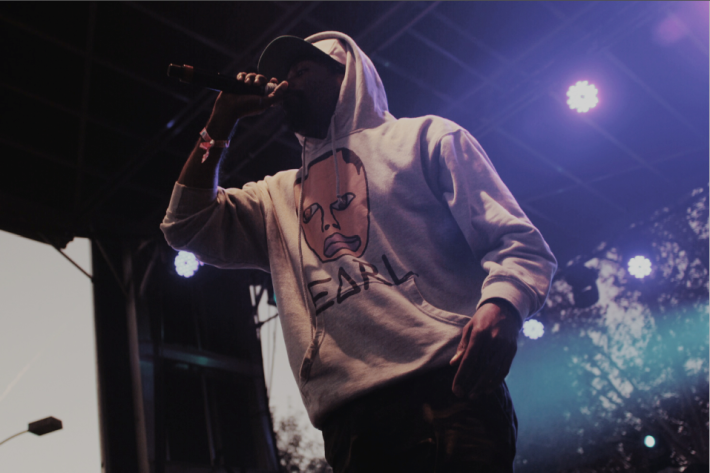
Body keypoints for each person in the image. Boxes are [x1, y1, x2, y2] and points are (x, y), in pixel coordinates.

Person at [161, 31, 557, 472]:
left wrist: (504, 306)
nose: (286, 82)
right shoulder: (277, 196)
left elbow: (518, 243)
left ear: (345, 77)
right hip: (350, 421)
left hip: (446, 389)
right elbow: (185, 225)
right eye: (283, 74)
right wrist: (219, 124)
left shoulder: (424, 137)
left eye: (301, 70)